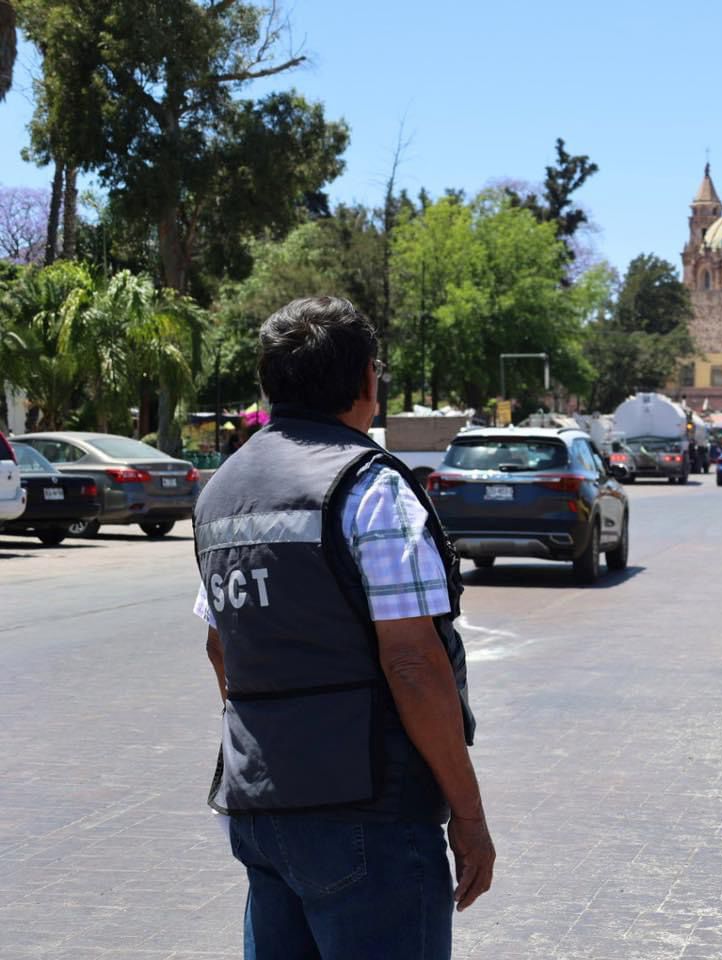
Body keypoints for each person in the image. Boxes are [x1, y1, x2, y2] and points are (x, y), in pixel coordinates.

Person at [191, 297, 495, 959]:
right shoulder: (370, 487)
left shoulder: (221, 492)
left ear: (270, 384)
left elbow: (221, 647)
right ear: (366, 382)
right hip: (369, 815)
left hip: (262, 806)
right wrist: (468, 818)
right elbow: (412, 664)